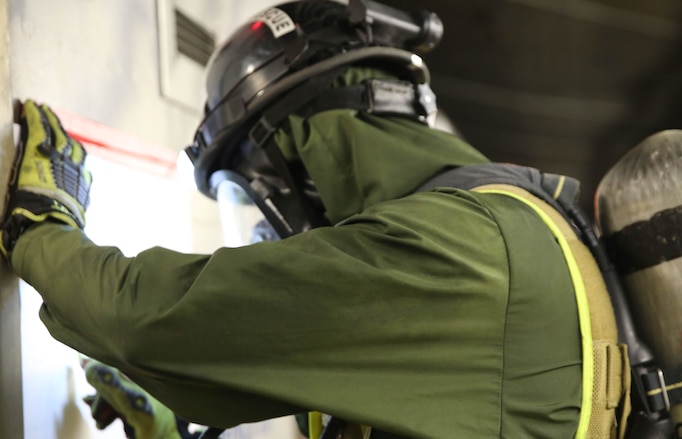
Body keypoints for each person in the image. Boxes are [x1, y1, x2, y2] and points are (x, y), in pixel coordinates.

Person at [0, 1, 630, 438]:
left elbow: (146, 320)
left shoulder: (460, 250)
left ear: (301, 151)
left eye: (253, 189)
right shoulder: (514, 218)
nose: (263, 225)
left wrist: (41, 226)